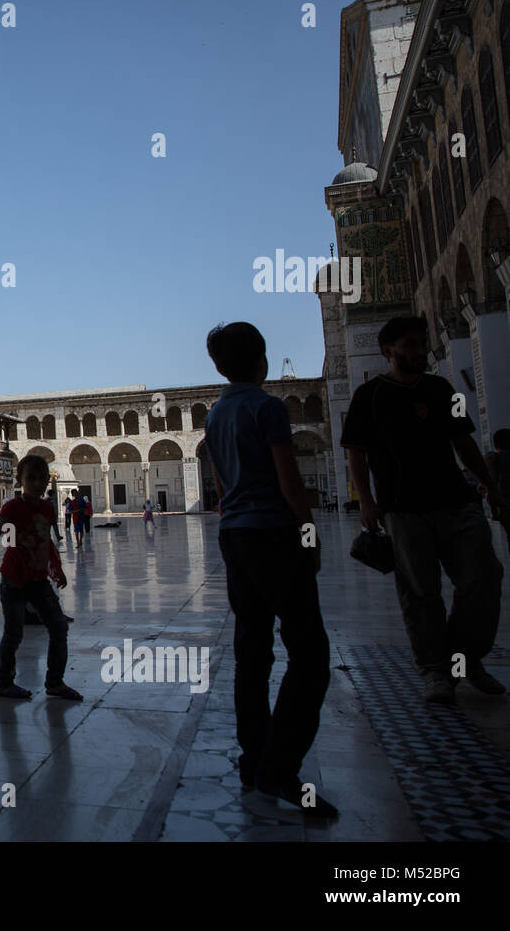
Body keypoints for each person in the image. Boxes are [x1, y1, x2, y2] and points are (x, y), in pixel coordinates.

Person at [204, 321, 336, 818]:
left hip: (235, 535)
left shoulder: (216, 414)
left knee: (252, 649)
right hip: (274, 535)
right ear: (262, 359)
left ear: (218, 366)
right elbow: (290, 480)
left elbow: (218, 479)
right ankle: (280, 766)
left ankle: (254, 758)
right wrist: (309, 534)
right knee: (310, 653)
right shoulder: (268, 406)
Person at [342, 316, 506, 704]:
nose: (418, 352)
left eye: (421, 344)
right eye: (410, 345)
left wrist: (490, 486)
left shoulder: (441, 387)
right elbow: (356, 451)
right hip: (402, 508)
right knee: (420, 593)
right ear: (389, 350)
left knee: (483, 578)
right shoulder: (370, 395)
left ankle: (464, 660)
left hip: (456, 501)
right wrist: (365, 500)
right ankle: (436, 670)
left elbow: (462, 440)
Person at [0, 455, 82, 701]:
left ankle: (55, 682)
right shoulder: (13, 507)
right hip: (14, 579)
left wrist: (55, 567)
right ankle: (4, 683)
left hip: (38, 579)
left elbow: (45, 540)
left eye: (42, 479)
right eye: (31, 479)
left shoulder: (47, 509)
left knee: (59, 627)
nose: (37, 484)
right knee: (14, 633)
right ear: (20, 480)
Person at [487, 428, 510, 541]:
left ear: (495, 445)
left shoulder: (494, 459)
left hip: (504, 505)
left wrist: (494, 511)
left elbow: (491, 485)